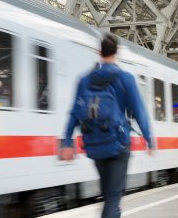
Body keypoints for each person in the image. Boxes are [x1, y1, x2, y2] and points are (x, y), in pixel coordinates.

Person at [59, 33, 154, 218]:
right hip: (119, 146)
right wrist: (149, 139)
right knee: (113, 198)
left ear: (99, 52)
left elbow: (74, 113)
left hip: (96, 146)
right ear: (116, 52)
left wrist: (66, 143)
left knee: (108, 195)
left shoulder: (84, 80)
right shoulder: (125, 78)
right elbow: (139, 111)